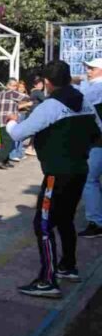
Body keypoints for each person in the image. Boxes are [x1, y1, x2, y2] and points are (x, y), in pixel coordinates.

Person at [7, 61, 102, 297]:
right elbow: (97, 133)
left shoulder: (50, 107)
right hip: (79, 169)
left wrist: (10, 121)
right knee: (66, 219)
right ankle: (68, 266)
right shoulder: (85, 102)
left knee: (43, 224)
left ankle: (47, 279)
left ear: (47, 83)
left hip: (56, 174)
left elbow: (19, 133)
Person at [79, 59, 102, 238]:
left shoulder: (95, 87)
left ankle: (97, 222)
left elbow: (79, 103)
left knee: (90, 180)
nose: (88, 71)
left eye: (92, 68)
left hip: (98, 142)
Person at [0, 78, 32, 169]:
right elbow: (25, 97)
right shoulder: (11, 93)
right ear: (8, 85)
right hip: (7, 121)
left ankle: (5, 161)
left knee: (4, 142)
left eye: (16, 86)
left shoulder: (1, 94)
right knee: (9, 141)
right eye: (13, 85)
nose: (14, 87)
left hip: (0, 121)